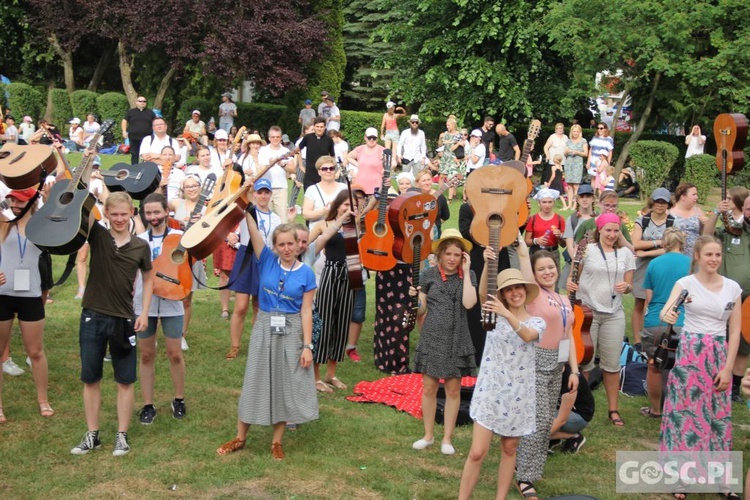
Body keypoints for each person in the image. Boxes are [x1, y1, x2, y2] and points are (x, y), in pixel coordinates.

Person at [216, 217, 318, 461]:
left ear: (298, 245)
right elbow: (252, 231)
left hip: (292, 329)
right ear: (274, 247)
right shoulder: (267, 262)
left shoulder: (307, 273)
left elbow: (306, 311)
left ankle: (276, 442)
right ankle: (241, 437)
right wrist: (248, 205)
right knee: (255, 380)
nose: (286, 248)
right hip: (264, 325)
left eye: (290, 244)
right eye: (281, 244)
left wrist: (307, 345)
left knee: (284, 384)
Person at [70, 192, 153, 457]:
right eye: (113, 214)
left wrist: (144, 312)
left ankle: (121, 435)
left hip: (124, 319)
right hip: (93, 315)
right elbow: (81, 201)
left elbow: (149, 279)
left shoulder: (141, 246)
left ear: (131, 214)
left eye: (123, 214)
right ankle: (92, 434)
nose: (119, 219)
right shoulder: (98, 234)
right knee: (91, 378)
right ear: (106, 213)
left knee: (125, 380)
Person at [659, 236, 741, 499]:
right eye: (709, 254)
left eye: (718, 254)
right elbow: (667, 311)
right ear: (697, 255)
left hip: (719, 352)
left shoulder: (732, 288)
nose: (714, 259)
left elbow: (736, 330)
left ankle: (721, 480)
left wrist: (728, 368)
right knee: (686, 413)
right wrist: (670, 314)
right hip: (690, 352)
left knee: (718, 416)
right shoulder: (686, 284)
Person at [458, 268, 544, 500]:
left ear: (525, 290)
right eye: (508, 290)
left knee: (509, 448)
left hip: (519, 394)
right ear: (503, 295)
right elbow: (484, 291)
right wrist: (487, 263)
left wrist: (507, 313)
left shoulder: (537, 321)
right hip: (490, 391)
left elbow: (527, 336)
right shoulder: (492, 315)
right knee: (477, 453)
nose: (515, 292)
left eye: (518, 287)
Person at [514, 239, 579, 499]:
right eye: (541, 269)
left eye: (551, 267)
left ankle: (529, 466)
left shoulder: (563, 298)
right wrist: (520, 246)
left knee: (543, 421)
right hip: (538, 360)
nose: (547, 272)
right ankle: (524, 475)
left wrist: (574, 370)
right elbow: (524, 263)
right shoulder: (533, 295)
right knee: (539, 422)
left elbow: (569, 334)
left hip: (559, 363)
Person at [410, 229, 476, 455]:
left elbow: (469, 304)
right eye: (448, 253)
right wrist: (414, 297)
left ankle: (447, 439)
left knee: (453, 389)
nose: (452, 258)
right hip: (432, 336)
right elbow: (421, 310)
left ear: (463, 257)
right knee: (428, 388)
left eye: (457, 255)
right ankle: (428, 435)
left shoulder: (469, 275)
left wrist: (466, 273)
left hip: (457, 338)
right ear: (439, 254)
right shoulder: (428, 275)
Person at [567, 212, 634, 427]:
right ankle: (580, 406)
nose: (612, 235)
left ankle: (613, 410)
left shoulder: (625, 254)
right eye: (608, 230)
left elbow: (630, 284)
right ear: (599, 230)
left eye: (616, 231)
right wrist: (570, 284)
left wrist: (627, 286)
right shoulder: (587, 249)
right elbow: (572, 276)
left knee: (612, 364)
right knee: (584, 362)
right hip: (588, 312)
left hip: (614, 313)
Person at [0, 188, 52, 423]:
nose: (15, 204)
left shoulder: (41, 228)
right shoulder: (2, 223)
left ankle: (43, 400)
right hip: (2, 294)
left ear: (32, 202)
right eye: (12, 200)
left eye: (20, 200)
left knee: (36, 352)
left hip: (30, 294)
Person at [134, 193, 187, 424]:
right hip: (143, 304)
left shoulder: (179, 237)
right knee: (146, 355)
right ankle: (147, 404)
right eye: (149, 213)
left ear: (166, 211)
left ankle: (179, 399)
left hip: (172, 302)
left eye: (157, 212)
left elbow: (187, 267)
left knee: (175, 353)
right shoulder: (139, 239)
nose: (153, 217)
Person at [307, 191, 359, 392]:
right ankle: (316, 376)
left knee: (342, 323)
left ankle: (331, 374)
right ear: (337, 205)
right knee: (325, 322)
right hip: (330, 272)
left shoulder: (357, 225)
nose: (348, 208)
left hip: (350, 275)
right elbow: (307, 245)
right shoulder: (324, 225)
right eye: (345, 204)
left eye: (352, 205)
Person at [225, 179, 281, 359]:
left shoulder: (276, 218)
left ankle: (258, 345)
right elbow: (237, 198)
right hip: (247, 256)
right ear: (255, 194)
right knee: (241, 306)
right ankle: (235, 345)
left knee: (259, 305)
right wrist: (246, 187)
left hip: (265, 258)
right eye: (259, 192)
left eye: (266, 192)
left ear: (271, 194)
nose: (263, 196)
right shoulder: (247, 211)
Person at [639, 228, 690, 418]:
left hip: (656, 321)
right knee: (683, 367)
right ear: (682, 243)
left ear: (665, 243)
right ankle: (680, 408)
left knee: (654, 365)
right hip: (684, 321)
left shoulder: (654, 263)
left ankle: (656, 409)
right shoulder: (692, 263)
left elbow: (649, 298)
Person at [631, 187, 674, 348]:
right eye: (657, 201)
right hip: (643, 267)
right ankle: (637, 340)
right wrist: (659, 245)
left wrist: (647, 251)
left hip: (663, 267)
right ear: (652, 202)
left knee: (659, 301)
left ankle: (655, 336)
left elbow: (672, 246)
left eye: (664, 202)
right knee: (640, 302)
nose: (660, 205)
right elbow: (635, 244)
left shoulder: (672, 222)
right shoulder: (643, 220)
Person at [169, 174, 208, 349]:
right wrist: (178, 221)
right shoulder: (177, 203)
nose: (191, 189)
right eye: (188, 186)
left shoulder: (206, 209)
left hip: (192, 255)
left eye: (194, 186)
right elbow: (159, 207)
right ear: (183, 189)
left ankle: (181, 335)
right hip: (173, 253)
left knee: (186, 298)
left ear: (200, 187)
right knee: (166, 294)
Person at [549, 363, 595, 453]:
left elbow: (561, 419)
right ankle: (554, 438)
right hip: (559, 411)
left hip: (579, 416)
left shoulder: (570, 379)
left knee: (538, 422)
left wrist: (536, 438)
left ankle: (574, 436)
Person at [559, 183, 597, 288]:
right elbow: (570, 245)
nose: (585, 199)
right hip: (574, 263)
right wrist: (577, 261)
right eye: (582, 196)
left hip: (593, 264)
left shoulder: (599, 218)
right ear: (577, 199)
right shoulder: (572, 219)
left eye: (588, 196)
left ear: (593, 199)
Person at [259, 126, 295, 222]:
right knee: (266, 217)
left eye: (277, 137)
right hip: (266, 187)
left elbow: (293, 169)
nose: (275, 139)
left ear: (281, 138)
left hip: (281, 187)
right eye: (273, 137)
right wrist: (270, 164)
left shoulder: (285, 151)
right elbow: (261, 169)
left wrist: (282, 164)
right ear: (269, 138)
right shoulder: (263, 150)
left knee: (283, 217)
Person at [525, 188, 565, 273]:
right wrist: (536, 240)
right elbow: (526, 242)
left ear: (554, 203)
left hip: (552, 253)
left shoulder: (559, 219)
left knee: (553, 278)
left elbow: (564, 244)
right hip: (536, 252)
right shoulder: (533, 219)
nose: (547, 205)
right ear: (539, 203)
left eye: (550, 202)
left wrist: (560, 236)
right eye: (544, 202)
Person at [302, 156, 346, 231]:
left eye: (331, 168)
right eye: (324, 169)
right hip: (317, 234)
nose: (328, 171)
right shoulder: (312, 190)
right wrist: (322, 212)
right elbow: (306, 214)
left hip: (340, 232)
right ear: (319, 172)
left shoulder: (344, 188)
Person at [348, 127, 390, 195]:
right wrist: (357, 164)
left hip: (376, 187)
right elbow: (348, 157)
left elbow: (393, 163)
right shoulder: (360, 149)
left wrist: (386, 170)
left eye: (374, 138)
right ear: (365, 137)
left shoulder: (382, 150)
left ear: (377, 138)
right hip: (360, 187)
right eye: (369, 137)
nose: (371, 140)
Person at [298, 117, 336, 191]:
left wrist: (331, 170)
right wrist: (301, 166)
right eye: (317, 127)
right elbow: (298, 150)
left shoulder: (328, 140)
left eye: (321, 127)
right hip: (309, 176)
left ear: (324, 127)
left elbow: (332, 157)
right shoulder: (308, 137)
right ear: (314, 127)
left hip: (323, 176)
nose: (319, 129)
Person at [670, 182, 706, 256]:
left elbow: (704, 234)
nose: (696, 197)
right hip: (677, 255)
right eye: (694, 194)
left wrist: (705, 224)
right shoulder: (670, 213)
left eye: (696, 194)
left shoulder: (698, 211)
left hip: (695, 255)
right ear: (683, 196)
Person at [122, 96, 156, 164]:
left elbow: (156, 122)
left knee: (146, 155)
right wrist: (124, 131)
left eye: (144, 101)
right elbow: (124, 120)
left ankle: (146, 169)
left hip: (147, 138)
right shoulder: (131, 112)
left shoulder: (150, 112)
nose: (142, 103)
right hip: (133, 137)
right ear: (136, 102)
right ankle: (134, 169)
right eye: (140, 101)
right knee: (134, 154)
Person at [564, 124, 589, 210]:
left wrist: (577, 152)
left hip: (577, 164)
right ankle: (569, 204)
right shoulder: (568, 141)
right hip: (569, 164)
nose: (575, 133)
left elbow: (585, 153)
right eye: (574, 131)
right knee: (569, 186)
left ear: (580, 132)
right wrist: (566, 152)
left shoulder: (583, 141)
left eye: (577, 131)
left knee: (576, 186)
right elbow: (565, 153)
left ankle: (575, 204)